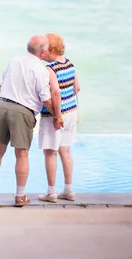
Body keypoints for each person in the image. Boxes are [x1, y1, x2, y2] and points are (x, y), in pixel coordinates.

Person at [0, 35, 62, 207]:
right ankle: (20, 196)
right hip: (23, 111)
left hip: (2, 106)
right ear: (42, 51)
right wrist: (57, 115)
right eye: (46, 48)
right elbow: (46, 98)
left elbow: (1, 86)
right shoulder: (41, 70)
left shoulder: (14, 61)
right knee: (22, 154)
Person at [38, 33, 81, 203]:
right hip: (71, 112)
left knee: (50, 152)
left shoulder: (51, 69)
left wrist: (57, 115)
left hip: (55, 115)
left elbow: (55, 92)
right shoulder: (70, 63)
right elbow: (77, 88)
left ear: (52, 50)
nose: (42, 52)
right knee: (66, 150)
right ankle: (69, 190)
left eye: (44, 48)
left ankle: (51, 192)